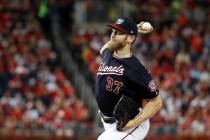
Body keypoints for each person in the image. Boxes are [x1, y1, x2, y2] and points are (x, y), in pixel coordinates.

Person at [95, 17, 163, 140]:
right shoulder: (108, 54)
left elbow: (156, 102)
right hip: (108, 122)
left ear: (130, 39)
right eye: (113, 31)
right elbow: (105, 47)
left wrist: (132, 123)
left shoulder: (136, 69)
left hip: (131, 123)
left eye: (119, 33)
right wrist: (135, 28)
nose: (114, 36)